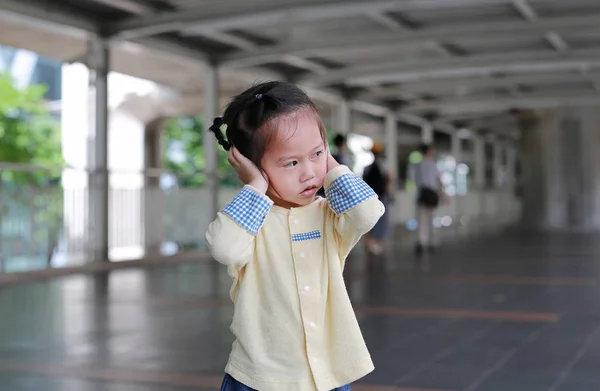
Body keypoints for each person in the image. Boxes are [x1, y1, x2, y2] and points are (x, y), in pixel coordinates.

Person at [205, 81, 385, 391]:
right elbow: (225, 248)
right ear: (251, 166)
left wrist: (328, 163)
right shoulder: (251, 221)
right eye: (291, 162)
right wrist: (256, 187)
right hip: (259, 378)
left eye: (316, 153)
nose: (309, 173)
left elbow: (368, 213)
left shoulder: (329, 216)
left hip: (325, 376)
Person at [413, 143, 443, 256]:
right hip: (432, 195)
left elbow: (416, 181)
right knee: (432, 219)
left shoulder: (418, 165)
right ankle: (432, 241)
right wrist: (443, 194)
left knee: (422, 220)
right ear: (429, 151)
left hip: (422, 195)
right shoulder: (433, 165)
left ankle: (422, 241)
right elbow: (439, 180)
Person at [362, 142, 392, 255]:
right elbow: (389, 180)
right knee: (380, 220)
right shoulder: (381, 167)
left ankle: (372, 242)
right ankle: (375, 242)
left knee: (373, 220)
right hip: (380, 196)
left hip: (372, 197)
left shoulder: (369, 168)